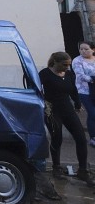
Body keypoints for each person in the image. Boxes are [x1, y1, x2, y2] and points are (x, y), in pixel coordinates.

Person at [39, 51, 94, 185]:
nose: (67, 68)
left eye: (68, 65)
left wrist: (77, 103)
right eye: (64, 65)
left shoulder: (69, 74)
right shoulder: (45, 74)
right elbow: (35, 88)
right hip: (51, 109)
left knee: (81, 138)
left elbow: (73, 90)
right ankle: (56, 167)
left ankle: (82, 170)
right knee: (57, 137)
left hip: (66, 108)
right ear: (55, 62)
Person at [72, 40, 95, 147]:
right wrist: (92, 79)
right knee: (92, 113)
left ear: (93, 50)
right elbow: (80, 75)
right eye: (81, 49)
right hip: (85, 91)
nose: (83, 51)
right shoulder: (77, 61)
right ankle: (93, 137)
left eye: (86, 49)